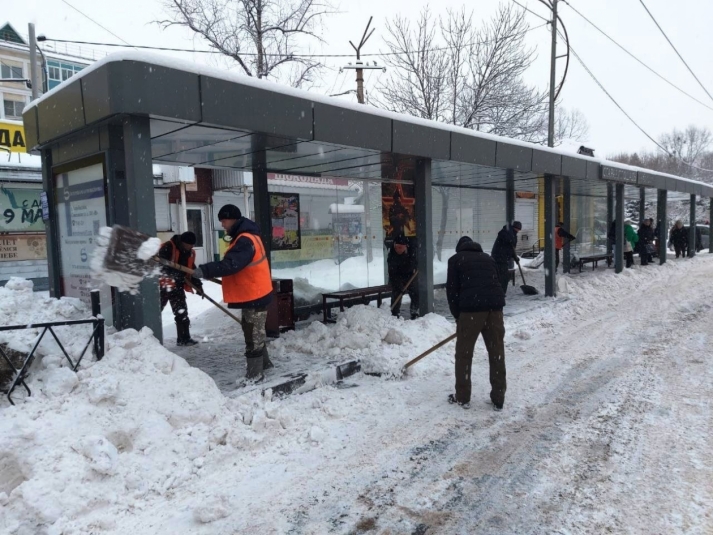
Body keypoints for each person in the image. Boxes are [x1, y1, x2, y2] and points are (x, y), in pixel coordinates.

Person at [192, 205, 274, 383]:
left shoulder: (245, 240)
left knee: (252, 335)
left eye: (224, 220)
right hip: (254, 292)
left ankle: (255, 376)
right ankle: (265, 365)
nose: (222, 224)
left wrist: (205, 270)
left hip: (255, 294)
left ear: (233, 219)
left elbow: (231, 265)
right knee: (254, 332)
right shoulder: (245, 236)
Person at [446, 237, 507, 411]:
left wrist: (458, 316)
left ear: (460, 248)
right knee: (497, 353)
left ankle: (462, 397)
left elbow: (452, 290)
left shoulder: (456, 260)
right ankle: (498, 397)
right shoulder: (488, 258)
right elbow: (499, 281)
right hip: (495, 310)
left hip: (471, 310)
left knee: (464, 354)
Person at [158, 231, 202, 346]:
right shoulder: (168, 247)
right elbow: (161, 266)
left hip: (177, 286)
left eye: (192, 245)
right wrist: (178, 274)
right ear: (183, 242)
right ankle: (147, 337)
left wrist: (198, 286)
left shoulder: (190, 253)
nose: (191, 247)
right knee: (156, 311)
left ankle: (184, 338)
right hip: (164, 285)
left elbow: (192, 270)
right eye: (189, 244)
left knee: (181, 311)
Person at [387, 235, 419, 319]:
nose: (398, 249)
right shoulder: (392, 256)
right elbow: (392, 274)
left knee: (415, 293)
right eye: (396, 247)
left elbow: (413, 264)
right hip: (397, 277)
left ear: (405, 247)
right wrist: (399, 285)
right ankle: (394, 313)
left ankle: (414, 311)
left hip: (410, 276)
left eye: (400, 247)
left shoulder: (411, 252)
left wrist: (414, 267)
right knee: (397, 293)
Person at [491, 221, 521, 294]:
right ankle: (500, 293)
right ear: (515, 228)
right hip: (498, 258)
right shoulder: (505, 232)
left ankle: (500, 292)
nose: (518, 231)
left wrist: (515, 257)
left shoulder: (513, 234)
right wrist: (510, 239)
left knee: (503, 276)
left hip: (503, 258)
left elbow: (511, 249)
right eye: (518, 229)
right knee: (503, 276)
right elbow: (503, 236)